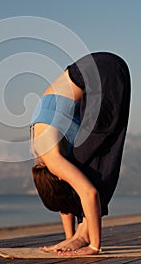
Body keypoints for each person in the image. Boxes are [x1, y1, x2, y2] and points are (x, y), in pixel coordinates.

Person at [30, 52, 131, 256]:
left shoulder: (53, 158)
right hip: (94, 69)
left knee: (96, 164)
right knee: (84, 159)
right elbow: (65, 198)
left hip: (102, 74)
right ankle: (79, 235)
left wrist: (94, 246)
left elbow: (89, 193)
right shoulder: (42, 155)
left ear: (58, 176)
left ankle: (86, 235)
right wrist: (69, 238)